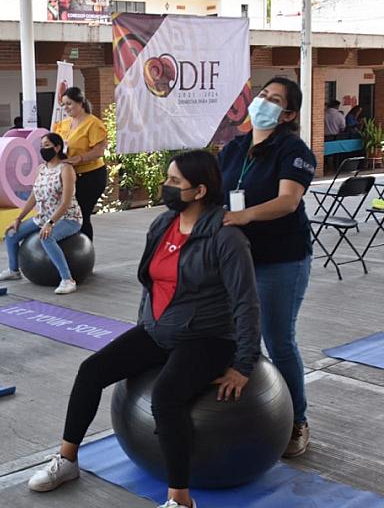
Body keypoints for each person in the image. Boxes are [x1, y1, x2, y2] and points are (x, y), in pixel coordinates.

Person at [27, 150, 261, 508]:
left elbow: (246, 303)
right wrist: (144, 326)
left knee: (166, 396)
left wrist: (244, 364)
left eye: (174, 182)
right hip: (158, 329)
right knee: (90, 372)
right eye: (167, 178)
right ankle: (67, 460)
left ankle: (179, 499)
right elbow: (152, 284)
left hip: (208, 337)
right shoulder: (163, 224)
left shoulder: (226, 239)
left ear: (199, 191)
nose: (165, 186)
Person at [219, 76, 316, 458]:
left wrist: (245, 217)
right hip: (238, 260)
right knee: (241, 340)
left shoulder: (294, 150)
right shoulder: (234, 147)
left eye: (274, 99)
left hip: (282, 260)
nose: (263, 102)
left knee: (278, 340)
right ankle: (257, 413)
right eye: (262, 95)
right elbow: (214, 193)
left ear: (288, 113)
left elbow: (288, 201)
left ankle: (297, 421)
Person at [0, 133, 83, 294]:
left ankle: (68, 280)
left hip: (68, 218)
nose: (43, 149)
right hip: (42, 218)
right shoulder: (40, 169)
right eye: (41, 145)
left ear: (57, 148)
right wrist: (18, 218)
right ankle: (14, 271)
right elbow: (34, 196)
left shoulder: (66, 169)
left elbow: (66, 202)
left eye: (47, 145)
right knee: (11, 234)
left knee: (47, 237)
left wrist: (50, 223)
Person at [51, 87, 108, 240]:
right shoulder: (63, 124)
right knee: (69, 213)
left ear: (81, 102)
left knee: (82, 213)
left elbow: (99, 151)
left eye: (69, 104)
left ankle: (85, 249)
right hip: (70, 174)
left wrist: (80, 158)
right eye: (63, 105)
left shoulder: (93, 123)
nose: (66, 108)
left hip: (90, 175)